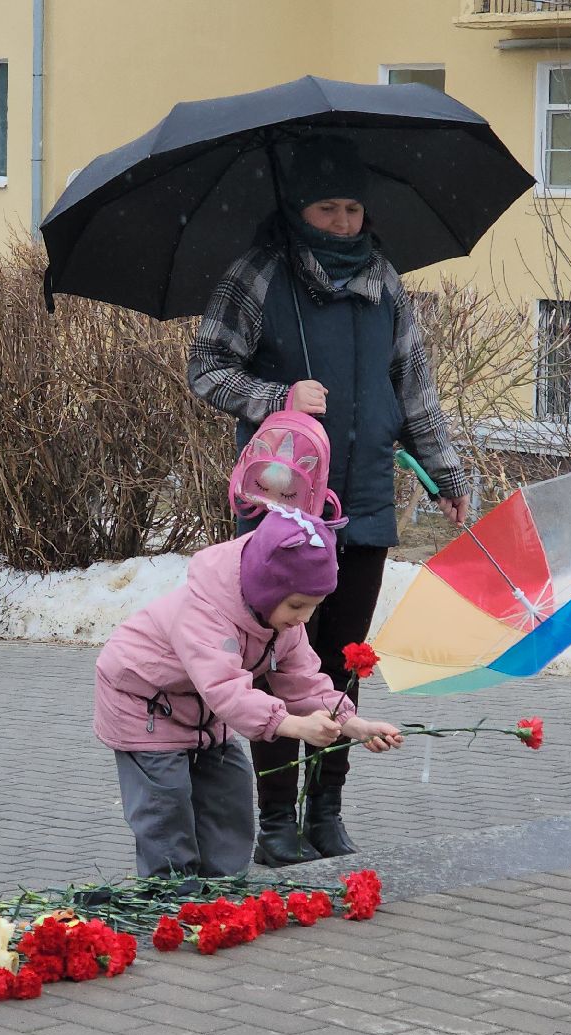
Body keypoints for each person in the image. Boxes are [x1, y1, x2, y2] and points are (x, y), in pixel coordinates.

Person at [187, 135, 469, 867]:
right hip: (280, 510)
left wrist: (447, 474)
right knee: (279, 661)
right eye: (326, 208)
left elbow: (415, 390)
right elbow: (206, 368)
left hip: (365, 500)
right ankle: (277, 819)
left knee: (345, 661)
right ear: (298, 207)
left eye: (352, 208)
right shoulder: (258, 273)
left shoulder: (384, 281)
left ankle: (327, 811)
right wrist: (278, 395)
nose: (343, 221)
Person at [93, 505, 403, 879]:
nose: (304, 618)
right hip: (145, 706)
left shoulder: (282, 624)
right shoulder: (206, 613)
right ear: (265, 587)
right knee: (166, 801)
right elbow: (226, 688)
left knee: (229, 790)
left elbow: (305, 682)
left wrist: (355, 725)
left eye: (313, 607)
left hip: (201, 711)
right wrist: (293, 725)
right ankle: (170, 888)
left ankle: (222, 884)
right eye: (296, 605)